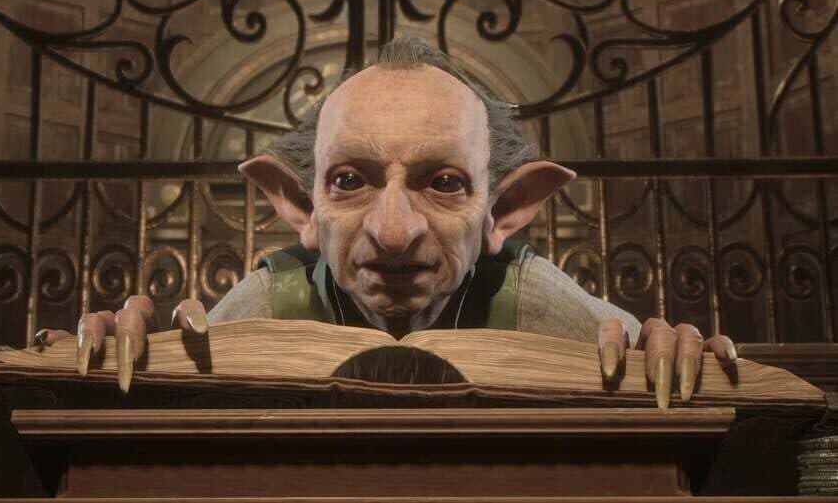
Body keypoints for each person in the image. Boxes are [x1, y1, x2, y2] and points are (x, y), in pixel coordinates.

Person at [41, 37, 736, 407]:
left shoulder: (529, 298)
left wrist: (671, 355)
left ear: (505, 211)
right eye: (349, 181)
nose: (395, 232)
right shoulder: (274, 301)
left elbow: (657, 367)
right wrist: (118, 364)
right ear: (299, 207)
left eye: (444, 183)